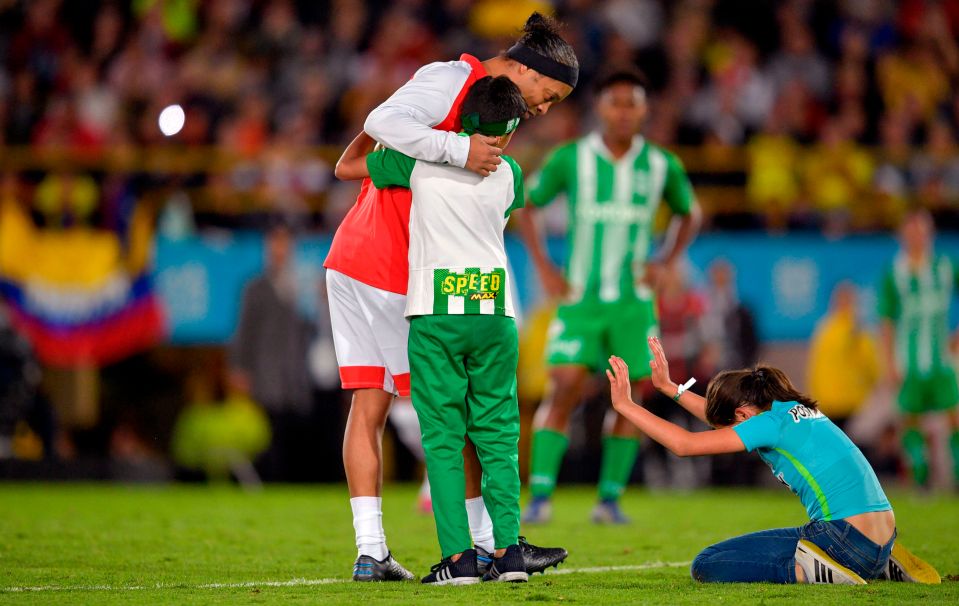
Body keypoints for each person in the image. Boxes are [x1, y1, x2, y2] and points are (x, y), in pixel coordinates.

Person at [325, 12, 577, 580]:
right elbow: (381, 117)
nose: (543, 108)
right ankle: (487, 545)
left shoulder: (474, 115)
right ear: (521, 67)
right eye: (547, 94)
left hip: (349, 259)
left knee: (369, 407)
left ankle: (372, 551)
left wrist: (416, 148)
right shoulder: (449, 82)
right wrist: (458, 154)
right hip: (398, 270)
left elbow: (357, 153)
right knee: (455, 416)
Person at [339, 74, 530, 585]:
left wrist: (393, 127)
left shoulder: (418, 164)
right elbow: (505, 203)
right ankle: (508, 553)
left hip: (436, 308)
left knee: (442, 438)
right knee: (497, 435)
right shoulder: (512, 172)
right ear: (510, 131)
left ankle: (458, 560)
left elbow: (348, 167)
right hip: (492, 310)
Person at [603, 336, 941, 585]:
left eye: (730, 425)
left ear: (743, 413)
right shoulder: (795, 410)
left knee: (707, 563)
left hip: (844, 540)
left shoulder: (766, 424)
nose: (727, 434)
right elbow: (717, 419)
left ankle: (821, 571)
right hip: (881, 536)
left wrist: (627, 407)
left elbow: (685, 444)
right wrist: (669, 388)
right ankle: (880, 562)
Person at [518, 67, 701, 524]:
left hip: (633, 303)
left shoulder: (661, 165)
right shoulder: (570, 159)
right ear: (599, 108)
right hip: (581, 299)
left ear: (644, 110)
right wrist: (544, 267)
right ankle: (540, 497)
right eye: (615, 102)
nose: (623, 111)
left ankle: (609, 500)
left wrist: (666, 261)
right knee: (562, 385)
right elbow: (526, 204)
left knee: (632, 397)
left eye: (632, 103)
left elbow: (689, 213)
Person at [229, 220, 316, 482]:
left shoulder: (301, 286)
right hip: (266, 372)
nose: (280, 248)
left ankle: (290, 483)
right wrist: (239, 368)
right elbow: (244, 331)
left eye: (284, 242)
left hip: (295, 374)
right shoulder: (255, 287)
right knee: (268, 433)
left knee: (294, 432)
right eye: (274, 242)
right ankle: (268, 481)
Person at [879, 209, 959, 488]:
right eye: (912, 231)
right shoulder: (894, 274)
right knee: (910, 422)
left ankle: (956, 479)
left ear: (930, 234)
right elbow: (886, 321)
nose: (917, 237)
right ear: (903, 235)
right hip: (908, 362)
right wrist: (889, 363)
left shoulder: (945, 267)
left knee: (954, 417)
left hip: (941, 360)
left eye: (922, 231)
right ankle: (920, 478)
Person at [807, 282, 880, 432]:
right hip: (832, 400)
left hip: (849, 400)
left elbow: (869, 363)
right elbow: (817, 366)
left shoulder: (856, 329)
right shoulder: (827, 328)